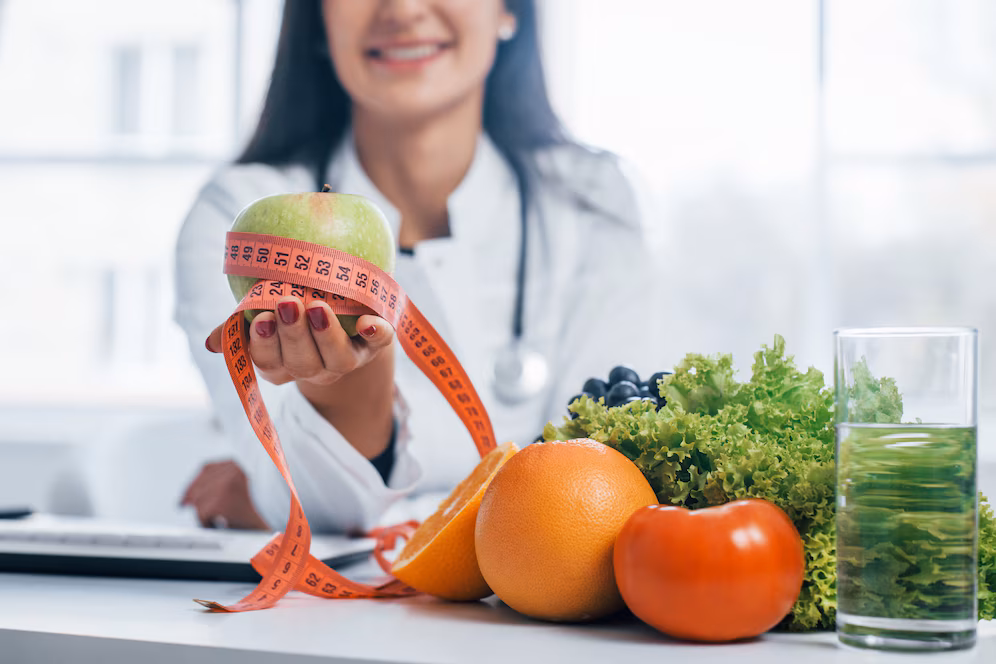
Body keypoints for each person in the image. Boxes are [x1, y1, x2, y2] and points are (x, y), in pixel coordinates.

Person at [175, 0, 662, 534]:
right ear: (318, 19)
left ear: (508, 10)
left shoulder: (595, 205)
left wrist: (268, 504)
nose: (404, 10)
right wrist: (345, 387)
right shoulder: (237, 218)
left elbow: (597, 496)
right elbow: (302, 503)